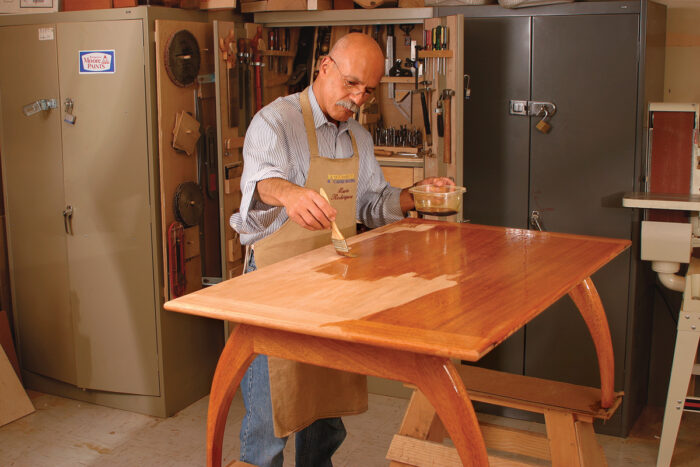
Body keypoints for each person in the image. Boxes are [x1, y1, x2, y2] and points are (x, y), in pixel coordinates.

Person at [230, 32, 454, 467]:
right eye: (351, 84)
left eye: (368, 90)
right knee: (268, 421)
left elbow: (371, 203)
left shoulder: (357, 138)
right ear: (324, 67)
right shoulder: (275, 122)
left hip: (332, 289)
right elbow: (261, 183)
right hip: (273, 289)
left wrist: (413, 195)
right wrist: (291, 195)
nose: (358, 98)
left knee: (325, 416)